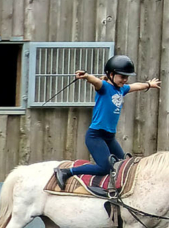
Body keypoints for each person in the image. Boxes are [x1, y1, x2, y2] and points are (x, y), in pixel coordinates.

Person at [54, 55, 161, 188]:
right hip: (96, 136)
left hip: (109, 137)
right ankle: (67, 171)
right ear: (111, 74)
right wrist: (86, 76)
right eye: (122, 76)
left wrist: (149, 84)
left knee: (123, 164)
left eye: (126, 77)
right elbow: (95, 81)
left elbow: (136, 86)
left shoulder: (122, 89)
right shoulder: (104, 87)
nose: (125, 80)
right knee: (104, 168)